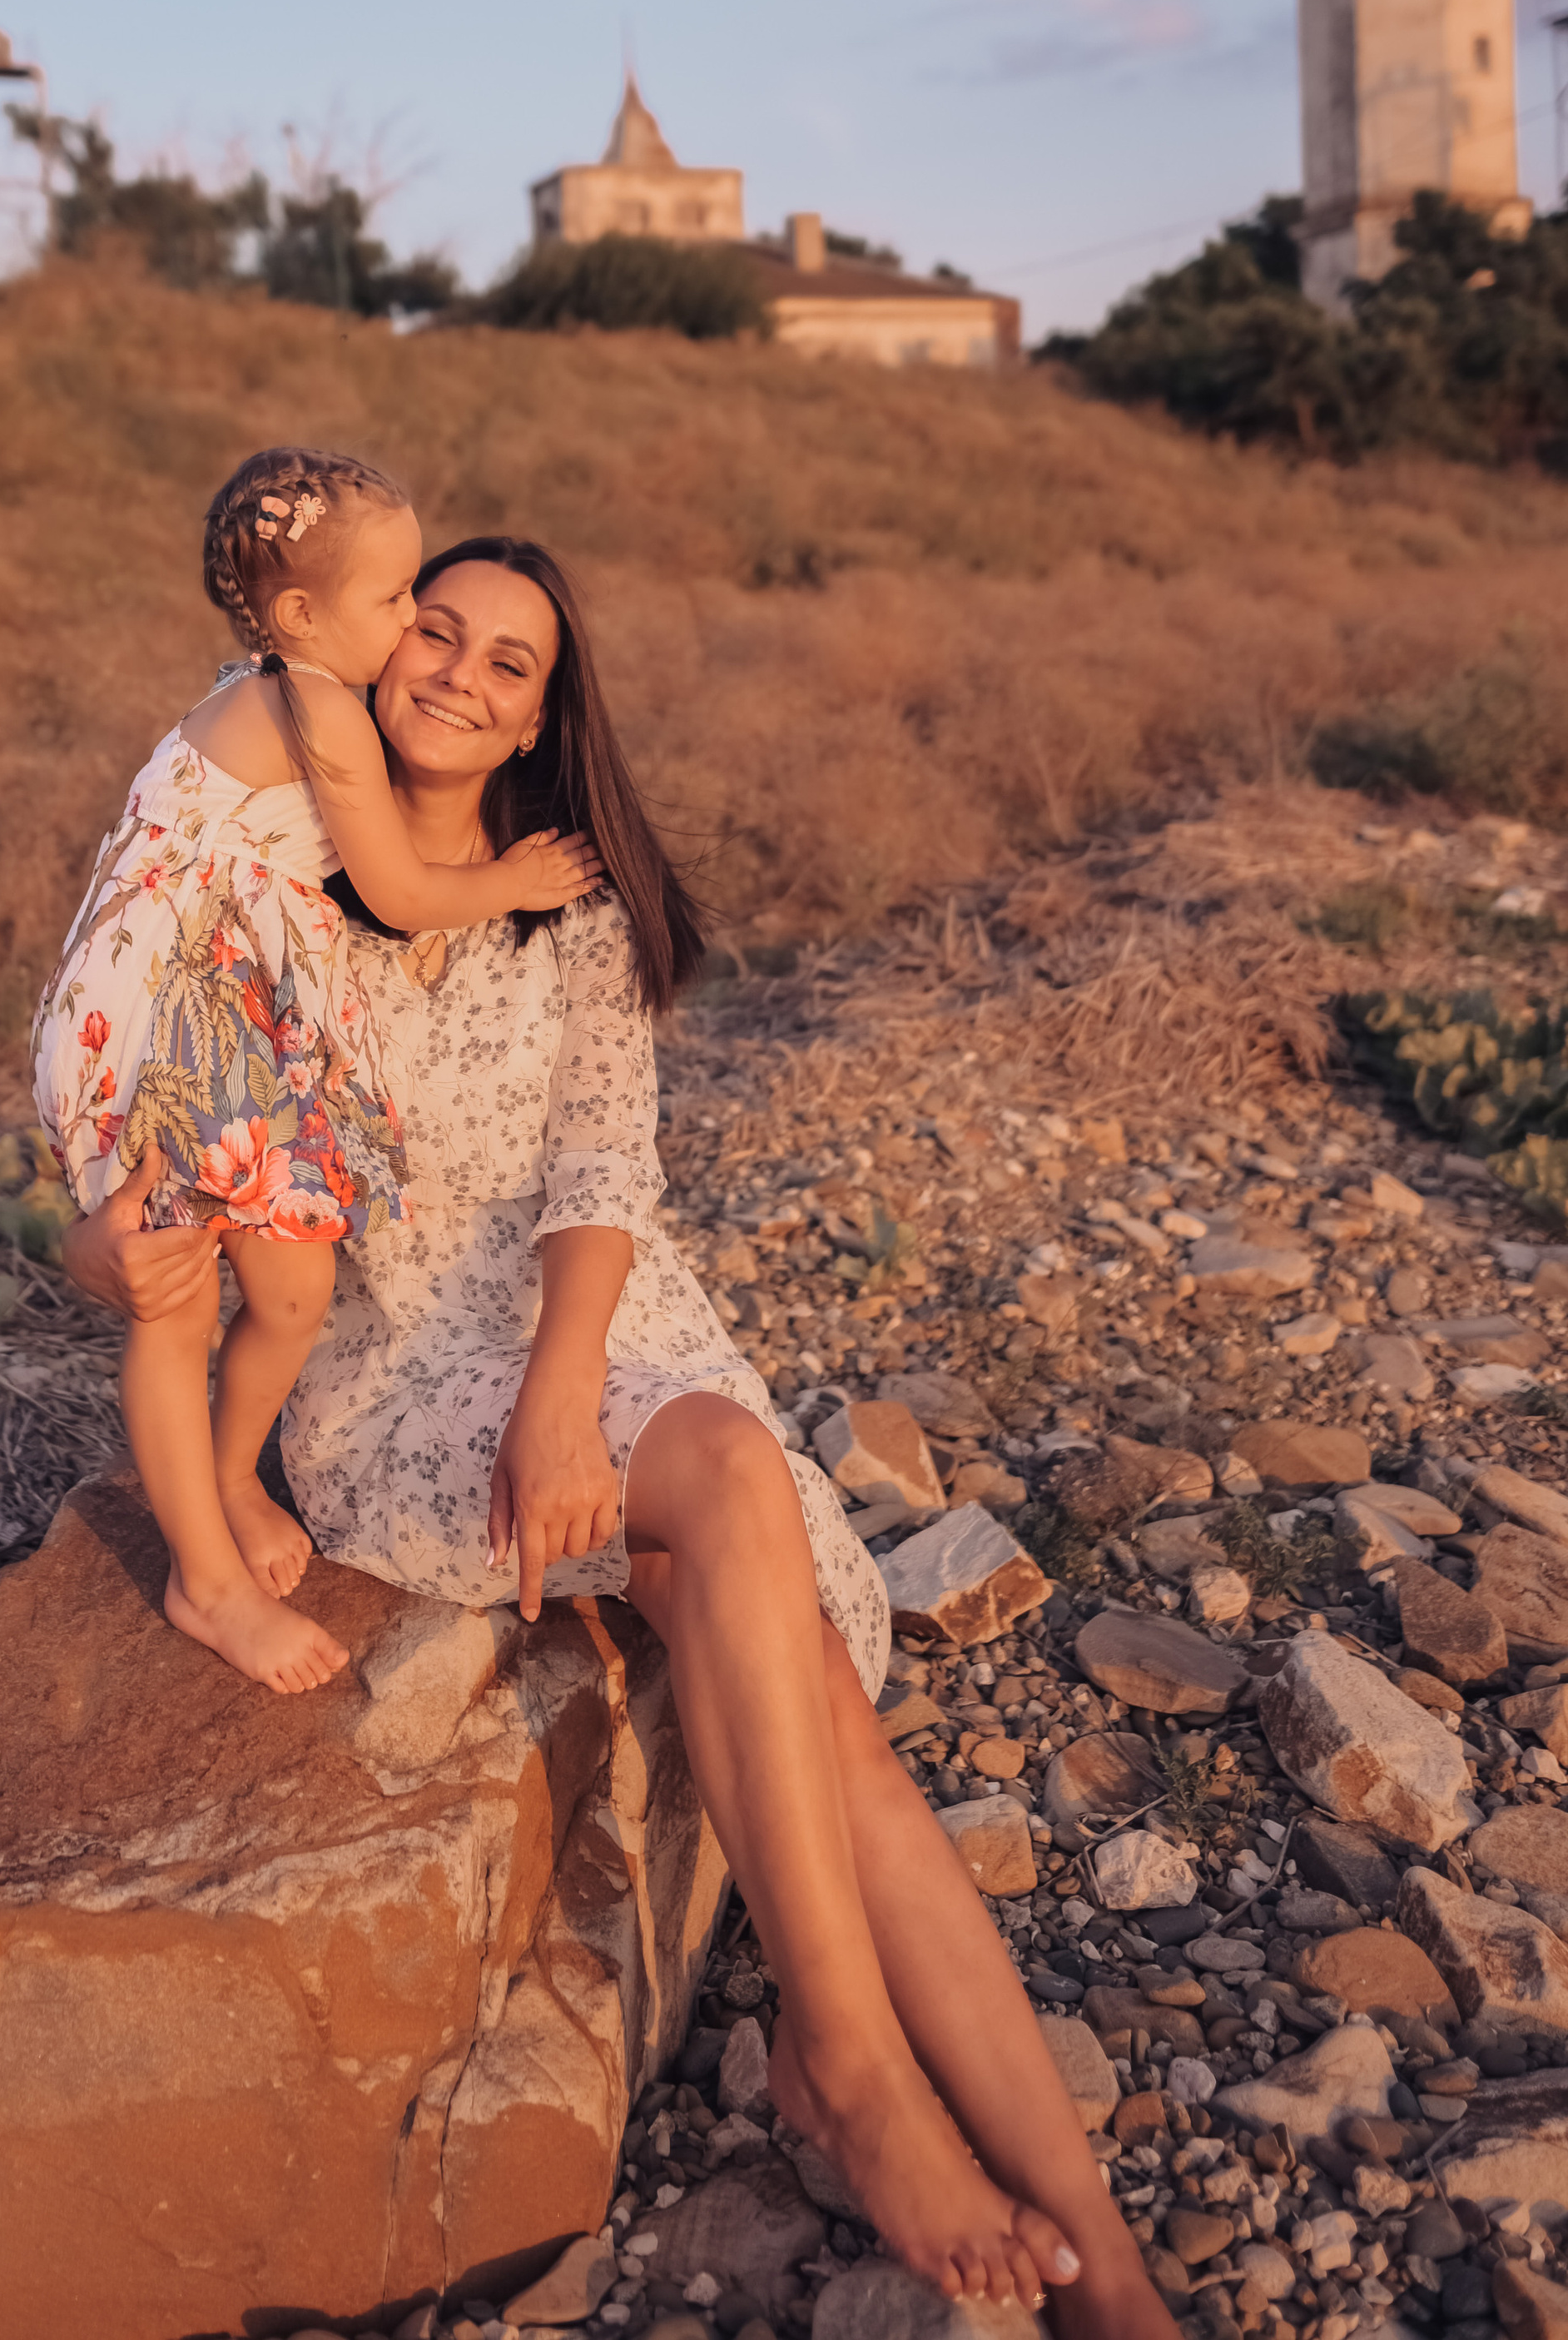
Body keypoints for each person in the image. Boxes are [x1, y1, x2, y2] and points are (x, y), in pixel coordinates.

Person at [62, 535, 1169, 2337]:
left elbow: (600, 1170)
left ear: (543, 711)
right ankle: (853, 2073)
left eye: (513, 664)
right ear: (353, 638)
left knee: (791, 1641)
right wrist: (107, 1253)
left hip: (608, 1330)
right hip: (396, 1375)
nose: (462, 676)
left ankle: (1099, 2263)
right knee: (751, 1543)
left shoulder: (559, 892)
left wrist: (572, 1385)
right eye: (437, 627)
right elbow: (115, 1153)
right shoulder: (256, 870)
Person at [32, 457, 600, 1697]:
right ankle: (206, 1580)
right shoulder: (311, 703)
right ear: (299, 618)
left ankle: (232, 1475)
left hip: (231, 1018)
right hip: (155, 1023)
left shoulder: (293, 690)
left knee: (290, 1281)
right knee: (178, 1301)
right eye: (401, 600)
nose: (411, 629)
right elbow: (396, 891)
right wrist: (512, 883)